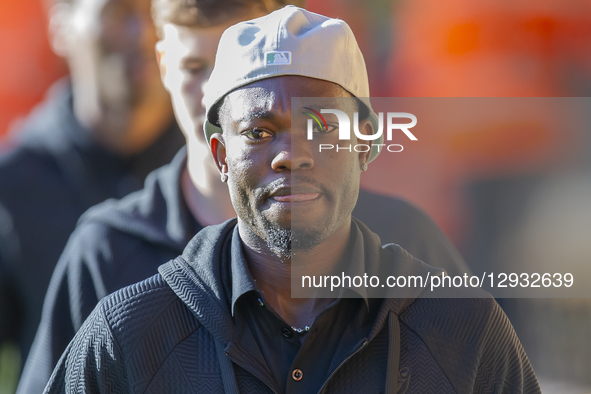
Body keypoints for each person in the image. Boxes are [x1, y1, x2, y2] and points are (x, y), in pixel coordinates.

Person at [43, 7, 539, 393]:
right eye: (259, 131)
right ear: (220, 154)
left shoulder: (461, 332)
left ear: (364, 143)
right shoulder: (130, 337)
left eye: (321, 126)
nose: (291, 155)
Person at [0, 0, 184, 369]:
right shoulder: (15, 186)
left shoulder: (223, 167)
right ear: (61, 25)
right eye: (119, 12)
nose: (145, 32)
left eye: (157, 10)